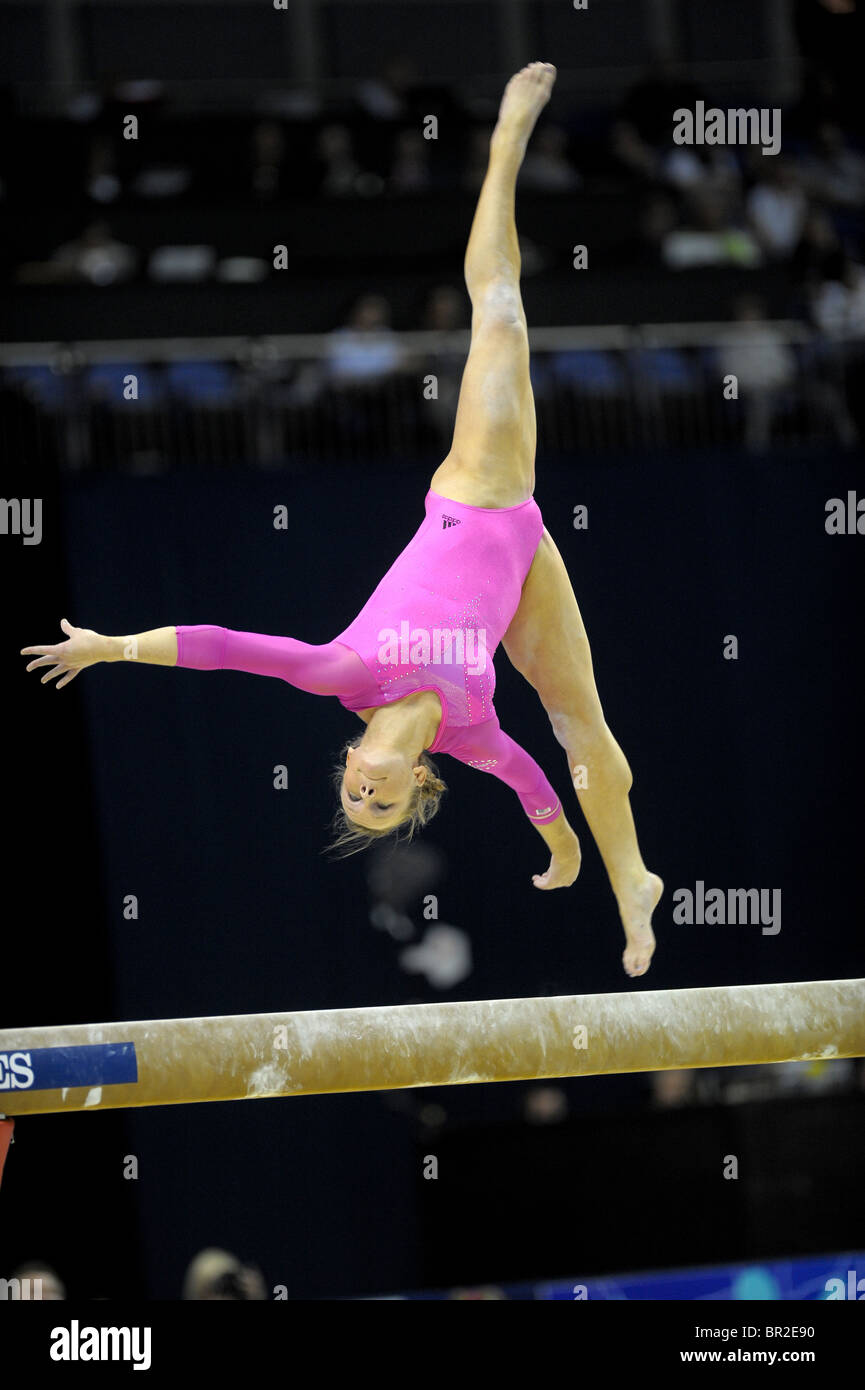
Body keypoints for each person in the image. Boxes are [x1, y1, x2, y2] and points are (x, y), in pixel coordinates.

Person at [22, 65, 661, 976]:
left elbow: (221, 644)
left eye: (352, 795)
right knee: (579, 729)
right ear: (412, 787)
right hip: (524, 559)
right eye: (380, 804)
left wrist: (111, 647)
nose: (363, 792)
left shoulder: (343, 674)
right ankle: (631, 881)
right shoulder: (467, 734)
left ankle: (506, 143)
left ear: (351, 758)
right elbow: (529, 784)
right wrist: (560, 849)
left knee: (503, 315)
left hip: (478, 493)